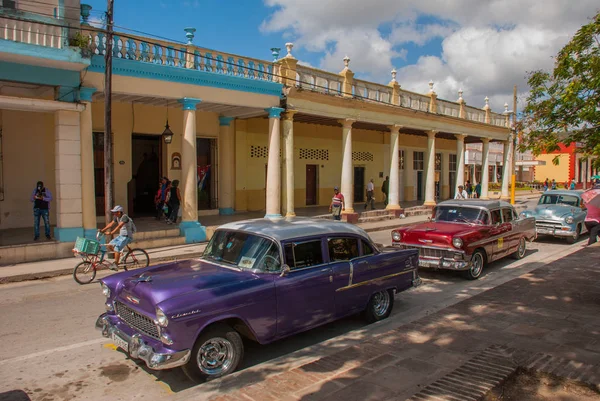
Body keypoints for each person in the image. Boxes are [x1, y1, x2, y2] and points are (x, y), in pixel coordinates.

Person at [100, 205, 134, 271]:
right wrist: (102, 230)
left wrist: (111, 233)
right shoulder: (117, 217)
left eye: (115, 212)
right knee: (110, 245)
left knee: (117, 248)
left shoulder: (125, 217)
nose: (114, 213)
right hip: (121, 236)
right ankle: (119, 255)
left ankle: (116, 264)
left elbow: (119, 226)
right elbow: (111, 224)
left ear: (119, 212)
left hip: (127, 236)